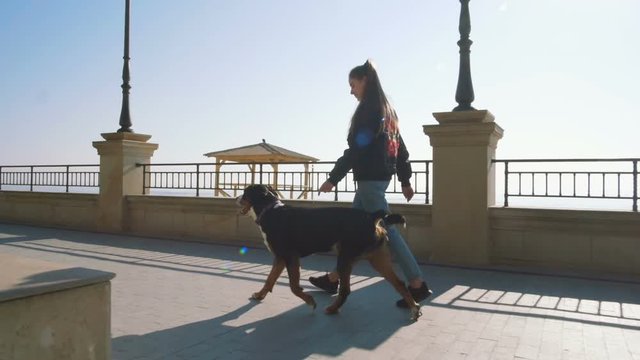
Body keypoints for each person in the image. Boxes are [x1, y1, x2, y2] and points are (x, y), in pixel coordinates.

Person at [309, 59, 432, 308]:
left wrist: (333, 178)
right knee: (352, 235)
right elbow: (400, 149)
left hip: (369, 182)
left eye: (352, 84)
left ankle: (417, 284)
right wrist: (405, 180)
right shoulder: (388, 110)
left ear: (364, 81)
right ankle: (334, 278)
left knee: (389, 230)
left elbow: (356, 149)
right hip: (377, 180)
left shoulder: (370, 110)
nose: (351, 90)